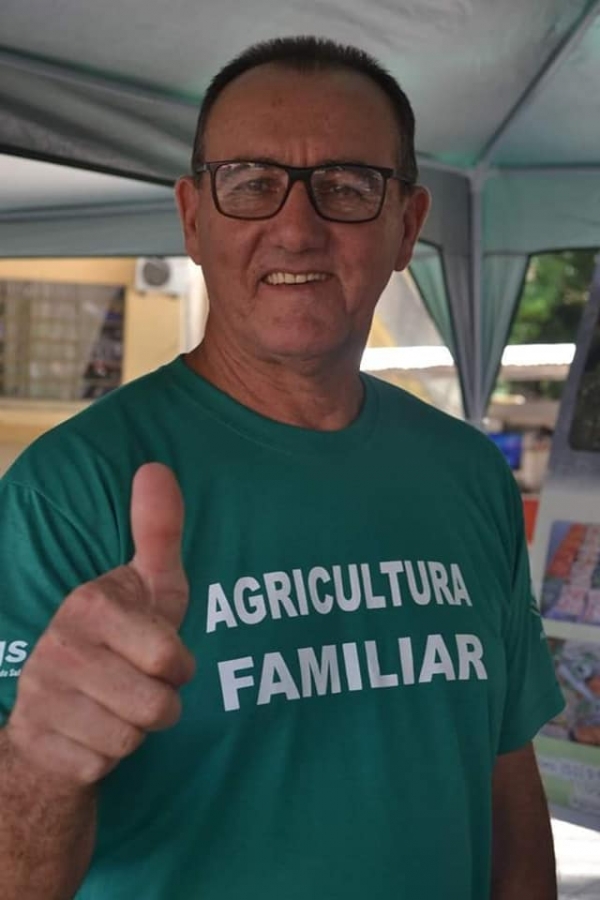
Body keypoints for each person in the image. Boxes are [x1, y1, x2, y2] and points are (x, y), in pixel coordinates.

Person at [0, 35, 564, 900]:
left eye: (346, 186)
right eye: (252, 182)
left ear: (407, 226)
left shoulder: (467, 473)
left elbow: (508, 787)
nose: (295, 226)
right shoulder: (65, 493)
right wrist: (36, 763)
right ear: (193, 218)